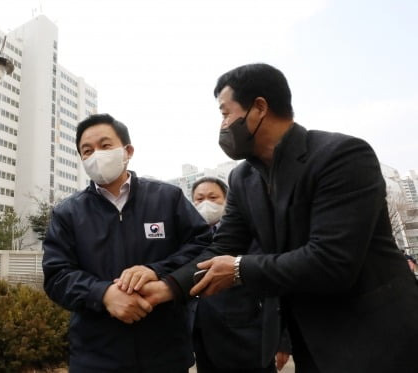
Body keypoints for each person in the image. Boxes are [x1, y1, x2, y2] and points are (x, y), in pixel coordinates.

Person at [125, 63, 418, 373]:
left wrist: (239, 269)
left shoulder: (341, 156)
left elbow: (332, 261)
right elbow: (222, 247)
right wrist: (167, 285)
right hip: (313, 345)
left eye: (226, 113)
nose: (223, 125)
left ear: (259, 108)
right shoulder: (243, 178)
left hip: (377, 337)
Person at [42, 113, 212, 372]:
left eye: (105, 145)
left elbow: (203, 248)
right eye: (87, 151)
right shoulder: (67, 213)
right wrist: (103, 294)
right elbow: (56, 276)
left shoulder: (168, 198)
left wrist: (157, 271)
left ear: (127, 150)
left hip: (166, 353)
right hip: (96, 357)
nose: (96, 155)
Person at [189, 177, 290, 373]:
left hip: (247, 340)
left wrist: (282, 340)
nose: (205, 203)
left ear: (227, 200)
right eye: (199, 199)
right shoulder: (191, 238)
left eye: (213, 197)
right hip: (205, 340)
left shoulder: (252, 234)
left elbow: (275, 287)